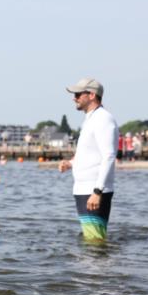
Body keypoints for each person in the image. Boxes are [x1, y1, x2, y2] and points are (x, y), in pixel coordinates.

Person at [57, 78, 118, 241]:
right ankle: (90, 266)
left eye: (77, 94)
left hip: (94, 190)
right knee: (91, 238)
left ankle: (98, 266)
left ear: (91, 95)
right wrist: (70, 163)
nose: (74, 98)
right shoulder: (91, 119)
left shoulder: (103, 119)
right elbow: (89, 154)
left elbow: (108, 156)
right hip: (83, 188)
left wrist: (97, 191)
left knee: (94, 240)